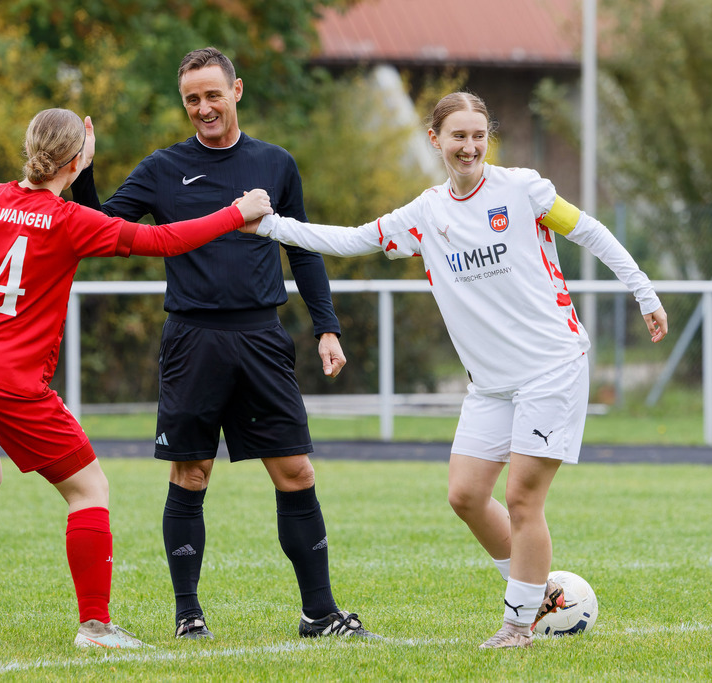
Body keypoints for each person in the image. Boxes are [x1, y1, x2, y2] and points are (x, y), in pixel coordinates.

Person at [242, 91, 669, 649]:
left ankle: (518, 625)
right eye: (458, 136)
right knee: (466, 496)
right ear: (436, 141)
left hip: (551, 367)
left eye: (478, 135)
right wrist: (270, 226)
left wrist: (643, 290)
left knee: (522, 499)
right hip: (490, 385)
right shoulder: (425, 213)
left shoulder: (523, 189)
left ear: (488, 137)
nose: (469, 146)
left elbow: (589, 230)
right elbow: (349, 241)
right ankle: (535, 590)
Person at [0, 107, 272, 650]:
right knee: (89, 489)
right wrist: (236, 212)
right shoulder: (69, 220)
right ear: (77, 159)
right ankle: (95, 625)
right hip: (5, 380)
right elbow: (162, 242)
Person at [71, 47, 378, 641]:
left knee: (294, 471)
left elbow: (305, 247)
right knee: (191, 475)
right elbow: (99, 230)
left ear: (236, 91)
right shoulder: (162, 168)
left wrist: (327, 326)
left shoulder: (275, 163)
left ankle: (320, 614)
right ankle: (189, 617)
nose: (203, 107)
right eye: (192, 99)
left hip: (262, 337)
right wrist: (85, 170)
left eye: (213, 94)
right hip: (193, 339)